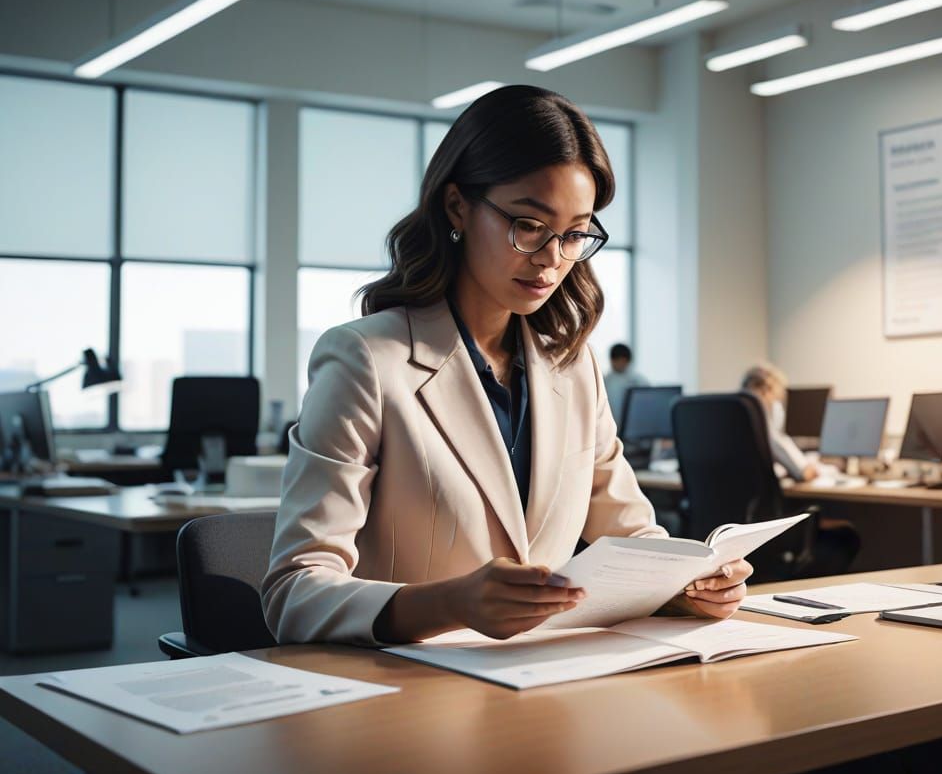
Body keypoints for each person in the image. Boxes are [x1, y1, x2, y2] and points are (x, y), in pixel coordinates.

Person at [263, 86, 752, 646]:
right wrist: (451, 602)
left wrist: (690, 583)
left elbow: (634, 537)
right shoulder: (366, 360)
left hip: (546, 686)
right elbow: (292, 595)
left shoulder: (574, 368)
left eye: (574, 235)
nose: (551, 258)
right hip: (409, 696)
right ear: (457, 208)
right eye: (529, 225)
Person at [740, 363, 820, 482]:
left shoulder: (727, 419)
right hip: (760, 499)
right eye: (776, 400)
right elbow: (804, 473)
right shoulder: (762, 425)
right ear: (765, 391)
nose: (776, 406)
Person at [602, 343, 649, 429]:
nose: (621, 364)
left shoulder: (639, 381)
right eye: (618, 361)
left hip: (637, 429)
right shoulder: (604, 381)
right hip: (612, 430)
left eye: (623, 361)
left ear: (628, 361)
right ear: (612, 360)